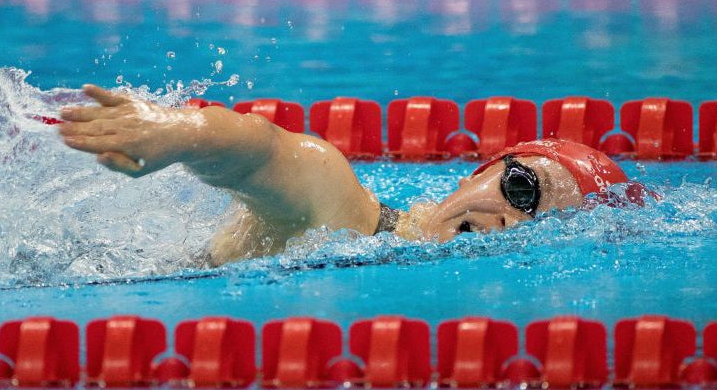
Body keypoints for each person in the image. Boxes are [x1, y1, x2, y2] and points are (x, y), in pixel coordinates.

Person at [59, 85, 634, 265]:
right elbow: (265, 150)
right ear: (475, 174)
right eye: (522, 189)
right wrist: (177, 132)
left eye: (538, 225)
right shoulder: (348, 213)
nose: (510, 221)